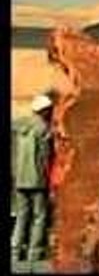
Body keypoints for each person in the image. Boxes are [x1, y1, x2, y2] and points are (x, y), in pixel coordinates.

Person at [12, 93, 55, 264]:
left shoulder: (20, 126)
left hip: (20, 178)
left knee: (22, 215)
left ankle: (15, 251)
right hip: (37, 180)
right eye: (49, 110)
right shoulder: (44, 129)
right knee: (39, 216)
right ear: (44, 111)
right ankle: (34, 253)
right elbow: (47, 158)